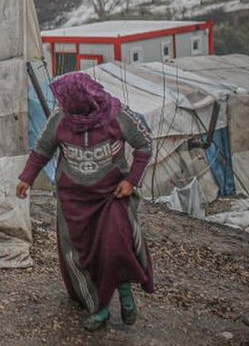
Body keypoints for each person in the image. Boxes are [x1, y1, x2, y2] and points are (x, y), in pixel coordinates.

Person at [16, 72, 154, 331]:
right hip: (73, 201)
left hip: (111, 196)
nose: (61, 105)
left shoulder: (118, 115)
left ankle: (125, 295)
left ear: (83, 99)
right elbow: (42, 150)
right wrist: (27, 178)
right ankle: (98, 308)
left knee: (116, 248)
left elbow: (145, 144)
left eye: (65, 100)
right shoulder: (60, 120)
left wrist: (131, 181)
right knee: (79, 256)